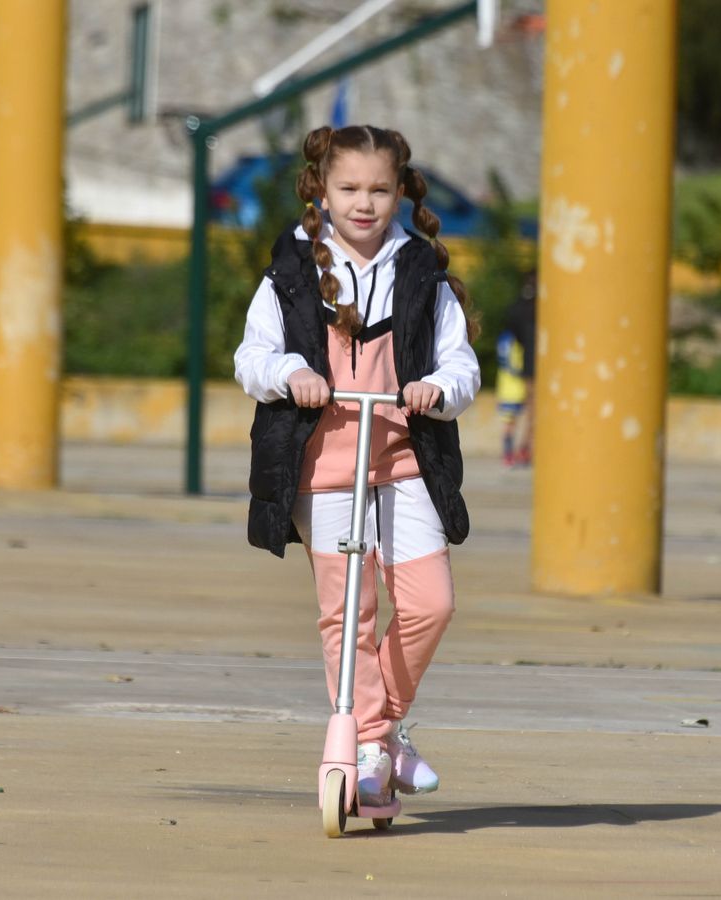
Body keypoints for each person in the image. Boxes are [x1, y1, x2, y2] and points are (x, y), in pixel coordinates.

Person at [234, 125, 481, 807]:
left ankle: (380, 730)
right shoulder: (292, 268)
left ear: (401, 191)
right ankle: (369, 745)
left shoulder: (422, 272)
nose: (364, 204)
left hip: (402, 460)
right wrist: (290, 371)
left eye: (379, 189)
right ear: (322, 190)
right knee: (348, 612)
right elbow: (250, 357)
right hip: (326, 465)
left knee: (431, 604)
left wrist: (439, 389)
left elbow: (463, 366)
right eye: (349, 189)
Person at [495, 270, 537, 467]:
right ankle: (524, 448)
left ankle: (518, 450)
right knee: (533, 411)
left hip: (523, 367)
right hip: (538, 365)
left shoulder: (515, 308)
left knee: (516, 415)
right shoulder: (540, 307)